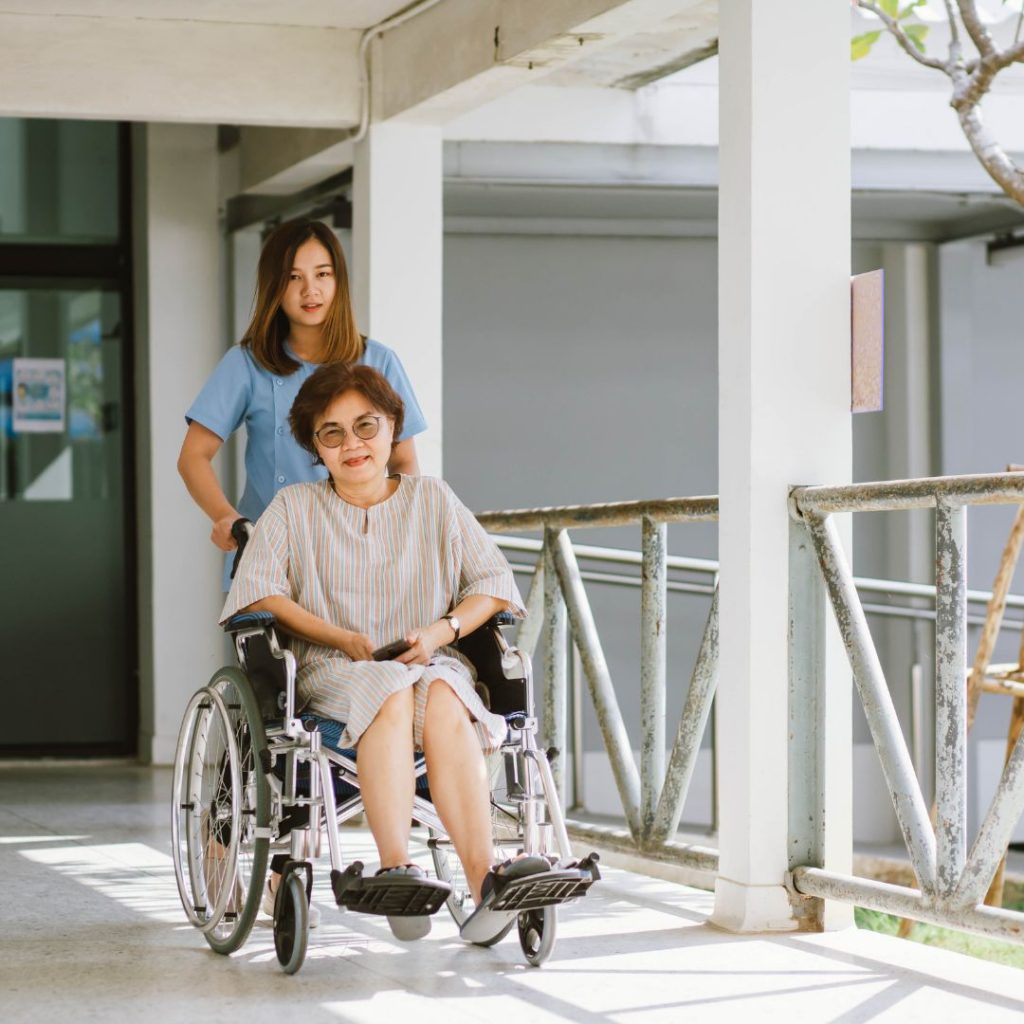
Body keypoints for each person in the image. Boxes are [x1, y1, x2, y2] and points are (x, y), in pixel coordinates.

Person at [221, 364, 542, 941]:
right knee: (387, 687)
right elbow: (258, 589)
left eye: (366, 426)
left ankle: (485, 882)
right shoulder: (294, 508)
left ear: (392, 427)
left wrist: (439, 633)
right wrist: (336, 636)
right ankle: (398, 871)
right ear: (314, 445)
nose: (353, 444)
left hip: (429, 662)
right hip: (331, 670)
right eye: (332, 432)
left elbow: (493, 582)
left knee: (445, 693)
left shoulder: (433, 499)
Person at [178, 219, 426, 591]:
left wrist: (398, 534)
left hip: (363, 560)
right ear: (274, 287)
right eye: (294, 278)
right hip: (270, 559)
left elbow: (403, 461)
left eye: (322, 274)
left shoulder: (378, 360)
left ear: (338, 280)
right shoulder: (247, 363)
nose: (310, 290)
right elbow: (192, 456)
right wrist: (226, 517)